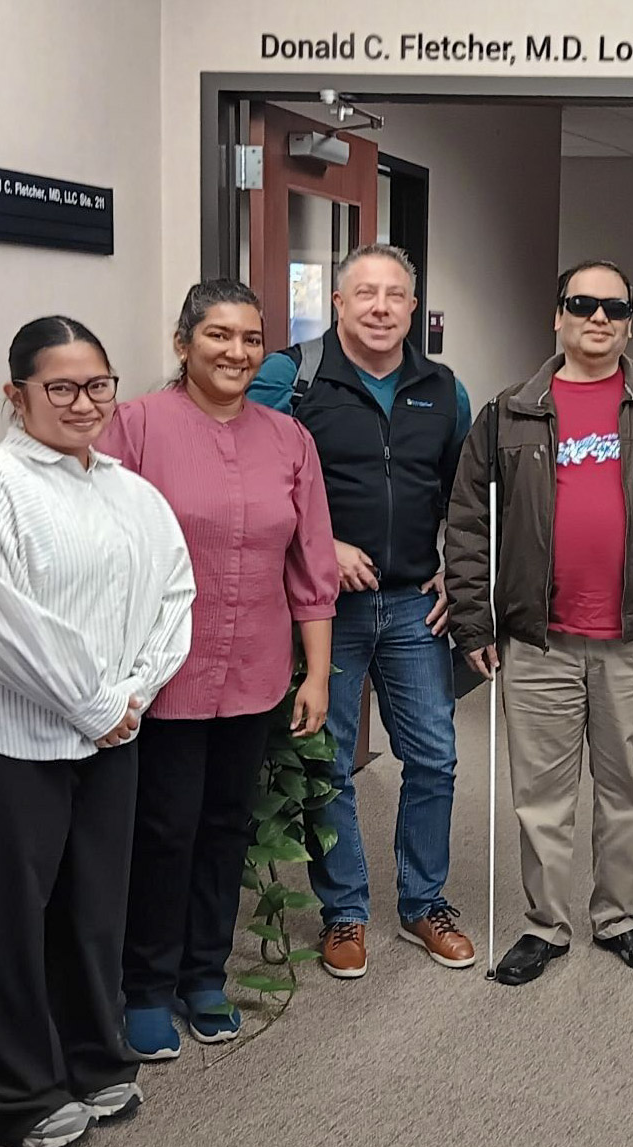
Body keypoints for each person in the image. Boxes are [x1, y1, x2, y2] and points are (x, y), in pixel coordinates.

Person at [0, 317, 194, 1147]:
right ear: (18, 394)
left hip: (110, 732)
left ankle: (92, 1059)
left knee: (93, 908)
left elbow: (173, 597)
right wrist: (96, 702)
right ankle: (15, 1093)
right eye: (61, 387)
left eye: (98, 384)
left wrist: (132, 695)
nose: (84, 403)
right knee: (10, 916)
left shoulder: (131, 492)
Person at [446, 260, 633, 986]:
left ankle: (619, 917)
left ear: (630, 320)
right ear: (558, 316)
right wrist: (475, 624)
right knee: (541, 796)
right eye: (582, 304)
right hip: (538, 642)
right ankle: (545, 924)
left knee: (624, 791)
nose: (597, 318)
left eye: (613, 307)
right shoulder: (510, 411)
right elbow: (470, 524)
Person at [100, 280, 338, 1059]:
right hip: (164, 671)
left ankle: (203, 975)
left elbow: (311, 566)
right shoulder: (134, 426)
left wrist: (317, 674)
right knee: (163, 829)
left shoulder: (287, 439)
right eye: (218, 336)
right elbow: (101, 548)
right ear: (183, 343)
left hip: (256, 669)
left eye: (250, 338)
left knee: (225, 827)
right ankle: (144, 985)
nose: (236, 352)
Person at [249, 242, 476, 979]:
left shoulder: (444, 389)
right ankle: (344, 912)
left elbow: (464, 497)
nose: (381, 307)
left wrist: (456, 569)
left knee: (434, 757)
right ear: (338, 304)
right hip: (326, 608)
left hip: (413, 605)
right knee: (329, 763)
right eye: (365, 294)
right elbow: (252, 482)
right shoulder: (295, 376)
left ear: (413, 307)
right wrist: (325, 547)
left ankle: (423, 903)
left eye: (395, 295)